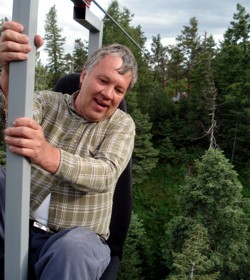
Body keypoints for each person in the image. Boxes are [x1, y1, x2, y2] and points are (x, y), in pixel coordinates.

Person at [0, 21, 137, 279]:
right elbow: (18, 118)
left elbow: (106, 173)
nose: (108, 94)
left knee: (73, 250)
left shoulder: (121, 125)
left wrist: (48, 155)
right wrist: (10, 75)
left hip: (76, 237)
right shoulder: (49, 102)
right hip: (18, 221)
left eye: (119, 89)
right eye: (103, 80)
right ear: (84, 75)